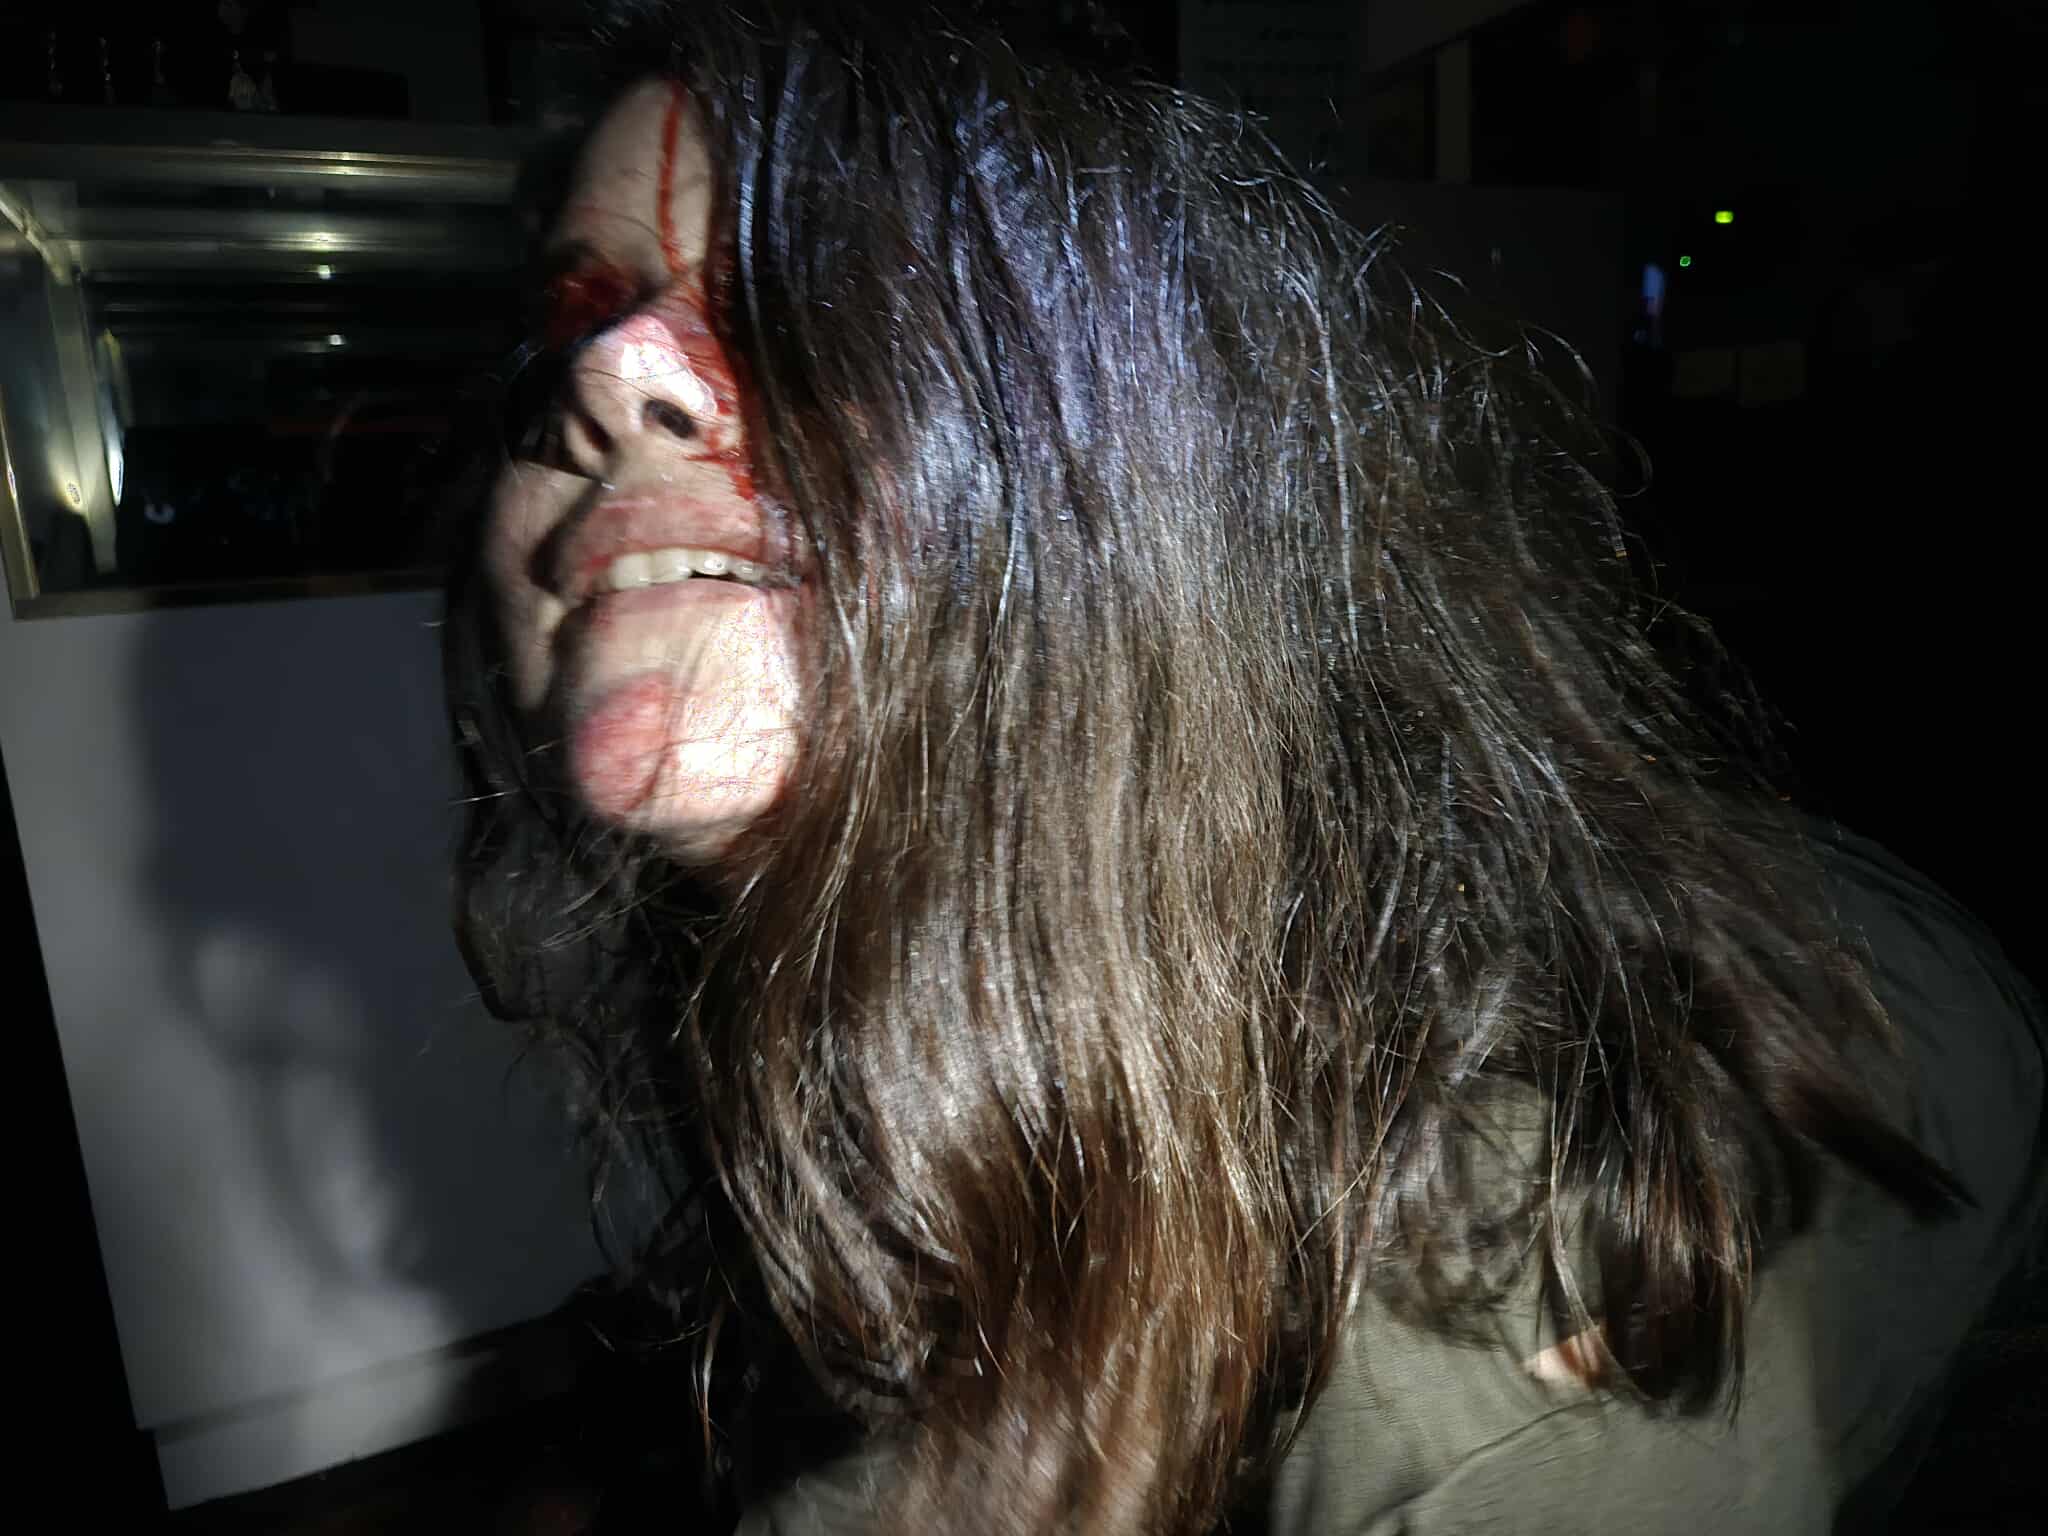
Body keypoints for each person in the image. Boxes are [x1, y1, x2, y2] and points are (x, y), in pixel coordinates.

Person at [443, 4, 2045, 1531]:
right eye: (568, 329)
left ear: (1128, 463)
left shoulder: (1482, 1331)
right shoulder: (836, 967)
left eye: (808, 308)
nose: (610, 376)